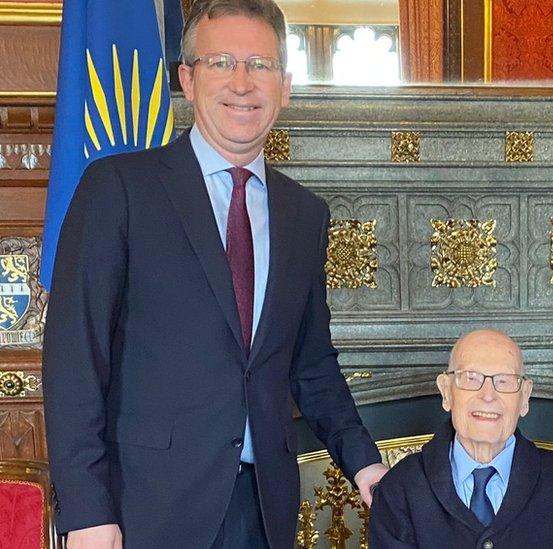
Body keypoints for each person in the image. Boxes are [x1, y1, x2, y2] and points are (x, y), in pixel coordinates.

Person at [42, 1, 387, 547]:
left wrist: (368, 466)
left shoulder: (304, 214)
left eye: (261, 64)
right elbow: (75, 360)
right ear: (188, 78)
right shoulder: (118, 189)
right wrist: (86, 509)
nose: (243, 82)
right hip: (145, 509)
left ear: (285, 85)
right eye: (221, 62)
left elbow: (312, 365)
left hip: (265, 509)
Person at [368, 329, 553, 548]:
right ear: (446, 391)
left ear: (525, 396)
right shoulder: (400, 487)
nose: (488, 395)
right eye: (471, 378)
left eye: (504, 380)